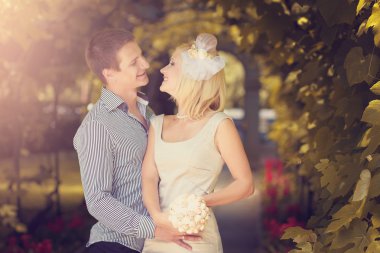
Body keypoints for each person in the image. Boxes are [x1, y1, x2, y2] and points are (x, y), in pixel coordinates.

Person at [73, 29, 199, 253]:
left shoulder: (148, 113)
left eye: (141, 55)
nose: (146, 64)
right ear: (109, 72)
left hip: (154, 245)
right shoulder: (96, 126)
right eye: (134, 62)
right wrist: (155, 229)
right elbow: (98, 201)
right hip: (115, 246)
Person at [141, 33, 255, 253]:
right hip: (159, 235)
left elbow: (245, 184)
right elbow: (149, 177)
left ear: (192, 75)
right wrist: (157, 217)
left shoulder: (220, 124)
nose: (163, 70)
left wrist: (200, 203)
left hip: (197, 238)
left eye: (172, 64)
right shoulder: (158, 124)